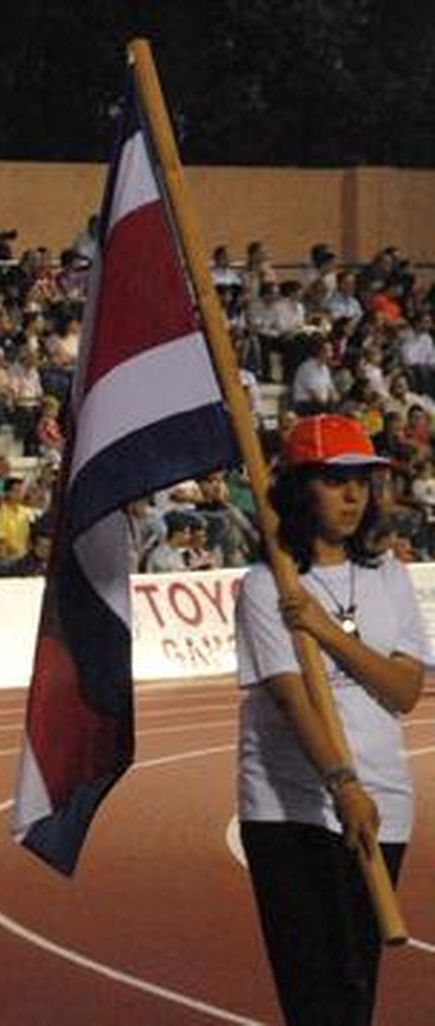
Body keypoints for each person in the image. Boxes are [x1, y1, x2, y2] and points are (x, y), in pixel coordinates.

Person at [234, 414, 427, 1026]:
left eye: (362, 482)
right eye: (334, 480)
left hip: (382, 801)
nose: (352, 496)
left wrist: (323, 631)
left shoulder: (389, 576)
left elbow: (404, 690)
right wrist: (341, 783)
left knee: (355, 988)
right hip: (290, 808)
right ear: (299, 487)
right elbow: (294, 700)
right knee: (314, 996)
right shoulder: (267, 585)